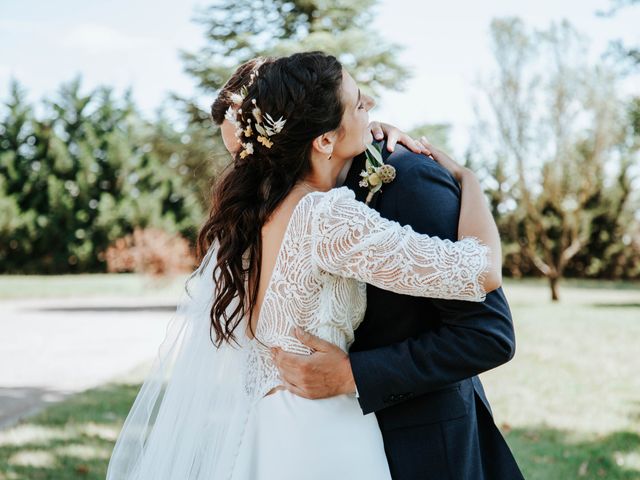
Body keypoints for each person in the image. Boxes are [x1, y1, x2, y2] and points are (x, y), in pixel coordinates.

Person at [107, 51, 505, 480]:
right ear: (323, 140)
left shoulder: (253, 221)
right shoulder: (325, 216)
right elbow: (479, 270)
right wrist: (469, 180)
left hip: (266, 429)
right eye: (357, 103)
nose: (370, 105)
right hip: (326, 435)